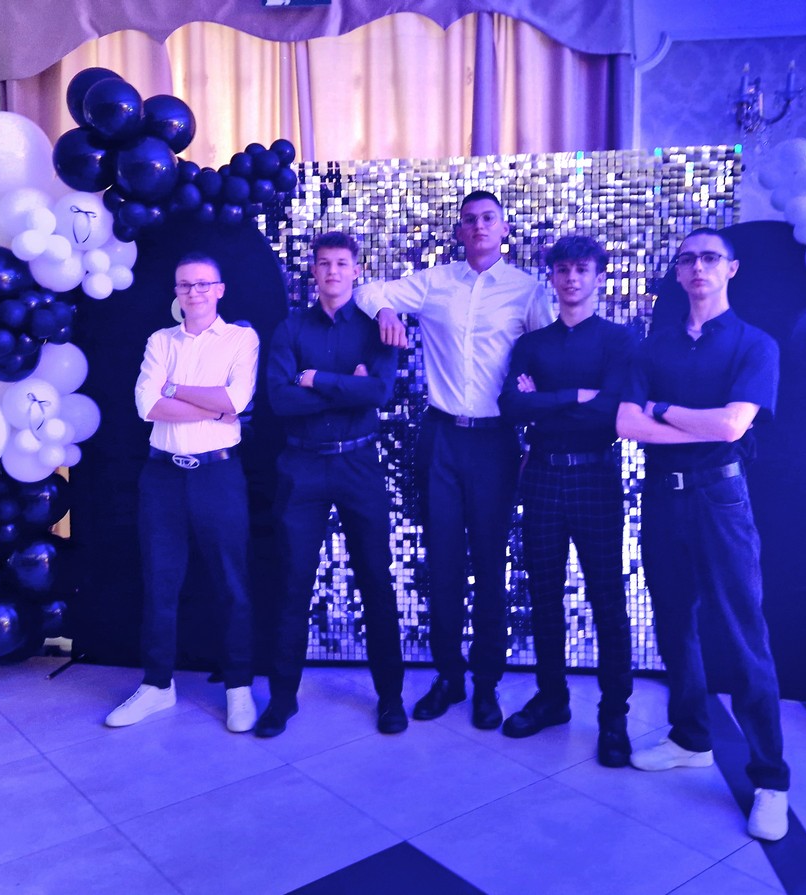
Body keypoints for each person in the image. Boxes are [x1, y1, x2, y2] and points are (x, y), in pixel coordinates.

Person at [616, 227, 791, 841]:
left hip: (721, 497)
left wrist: (663, 410)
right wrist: (687, 421)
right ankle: (691, 738)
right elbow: (626, 424)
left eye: (710, 258)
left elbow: (732, 427)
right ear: (677, 272)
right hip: (662, 497)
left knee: (743, 635)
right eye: (688, 259)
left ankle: (771, 780)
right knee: (674, 625)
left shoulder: (754, 344)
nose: (698, 268)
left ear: (731, 269)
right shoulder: (653, 347)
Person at [356, 190, 554, 729]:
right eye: (470, 220)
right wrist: (387, 310)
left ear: (504, 228)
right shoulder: (435, 282)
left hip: (496, 441)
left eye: (489, 218)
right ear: (460, 231)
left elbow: (548, 354)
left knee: (489, 565)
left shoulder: (528, 290)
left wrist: (537, 414)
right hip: (441, 436)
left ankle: (487, 685)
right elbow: (367, 290)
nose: (479, 226)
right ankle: (449, 677)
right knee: (442, 563)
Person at [257, 231, 407, 738]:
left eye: (342, 264)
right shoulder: (291, 327)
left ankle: (390, 699)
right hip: (301, 465)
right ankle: (282, 701)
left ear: (356, 270)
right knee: (292, 583)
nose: (333, 272)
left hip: (359, 463)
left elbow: (379, 392)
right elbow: (280, 400)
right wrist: (349, 386)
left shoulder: (376, 326)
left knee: (376, 581)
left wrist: (315, 378)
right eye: (324, 264)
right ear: (314, 272)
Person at [498, 235, 636, 767]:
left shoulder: (618, 340)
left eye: (581, 269)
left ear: (598, 276)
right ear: (552, 278)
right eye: (563, 270)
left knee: (607, 598)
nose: (572, 278)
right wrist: (575, 396)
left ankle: (614, 715)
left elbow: (613, 410)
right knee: (543, 594)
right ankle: (552, 698)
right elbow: (511, 406)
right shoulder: (534, 344)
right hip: (542, 475)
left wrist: (545, 401)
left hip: (596, 474)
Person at [107, 252, 259, 733]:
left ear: (220, 290)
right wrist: (212, 407)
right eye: (185, 285)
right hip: (162, 477)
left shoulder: (241, 339)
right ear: (177, 292)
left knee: (232, 584)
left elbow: (237, 399)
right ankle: (157, 686)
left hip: (218, 474)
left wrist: (176, 389)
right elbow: (146, 406)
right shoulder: (160, 340)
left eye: (202, 284)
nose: (194, 292)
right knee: (159, 582)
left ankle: (238, 688)